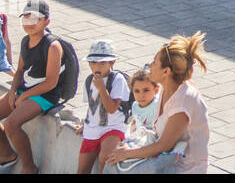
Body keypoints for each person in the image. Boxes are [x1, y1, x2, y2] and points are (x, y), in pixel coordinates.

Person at [103, 32, 209, 174]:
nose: (150, 65)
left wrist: (128, 153)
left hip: (184, 168)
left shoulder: (183, 102)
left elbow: (164, 145)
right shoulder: (168, 89)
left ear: (166, 71)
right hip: (166, 161)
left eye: (154, 62)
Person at [0, 0, 64, 174]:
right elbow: (19, 71)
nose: (29, 23)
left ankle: (29, 167)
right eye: (26, 18)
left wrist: (24, 96)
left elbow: (51, 82)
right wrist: (12, 91)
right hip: (24, 89)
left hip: (45, 95)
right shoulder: (26, 41)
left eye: (35, 19)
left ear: (46, 22)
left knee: (11, 124)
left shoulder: (53, 46)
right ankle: (6, 154)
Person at [76, 40, 131, 174]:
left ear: (112, 63)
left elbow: (111, 108)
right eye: (93, 63)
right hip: (92, 128)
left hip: (113, 126)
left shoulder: (117, 80)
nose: (97, 67)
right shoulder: (89, 80)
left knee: (105, 158)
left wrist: (102, 88)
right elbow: (92, 106)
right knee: (82, 169)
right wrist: (86, 123)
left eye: (102, 63)